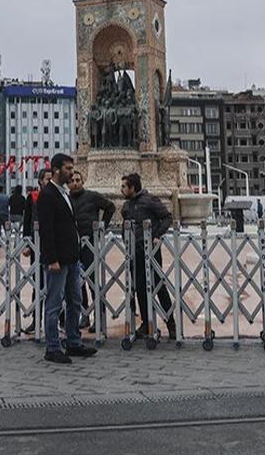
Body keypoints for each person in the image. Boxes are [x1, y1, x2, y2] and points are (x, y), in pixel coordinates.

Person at [35, 153, 97, 364]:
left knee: (75, 301)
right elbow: (47, 230)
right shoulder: (48, 195)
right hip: (58, 260)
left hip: (72, 259)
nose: (72, 172)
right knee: (54, 303)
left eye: (72, 168)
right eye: (68, 168)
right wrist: (51, 258)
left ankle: (73, 341)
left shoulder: (64, 193)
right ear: (56, 170)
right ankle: (52, 347)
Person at [121, 172, 177, 341]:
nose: (121, 189)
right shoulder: (126, 206)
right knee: (139, 287)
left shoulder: (150, 200)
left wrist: (157, 235)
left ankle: (170, 322)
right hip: (134, 250)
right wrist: (126, 241)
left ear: (132, 187)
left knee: (158, 284)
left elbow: (167, 217)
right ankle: (146, 322)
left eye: (124, 186)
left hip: (150, 249)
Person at [68, 170, 115, 332]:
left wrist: (102, 226)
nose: (75, 183)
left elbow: (110, 207)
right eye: (72, 180)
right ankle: (84, 314)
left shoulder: (92, 196)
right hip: (73, 244)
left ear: (83, 181)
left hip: (90, 243)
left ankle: (99, 317)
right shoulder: (66, 199)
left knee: (93, 282)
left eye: (78, 180)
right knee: (77, 282)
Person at [20, 168, 54, 335]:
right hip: (36, 245)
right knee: (37, 284)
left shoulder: (58, 196)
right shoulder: (32, 197)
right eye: (47, 179)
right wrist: (26, 243)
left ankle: (57, 321)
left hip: (54, 245)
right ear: (41, 181)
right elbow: (26, 222)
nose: (49, 181)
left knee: (56, 285)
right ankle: (36, 320)